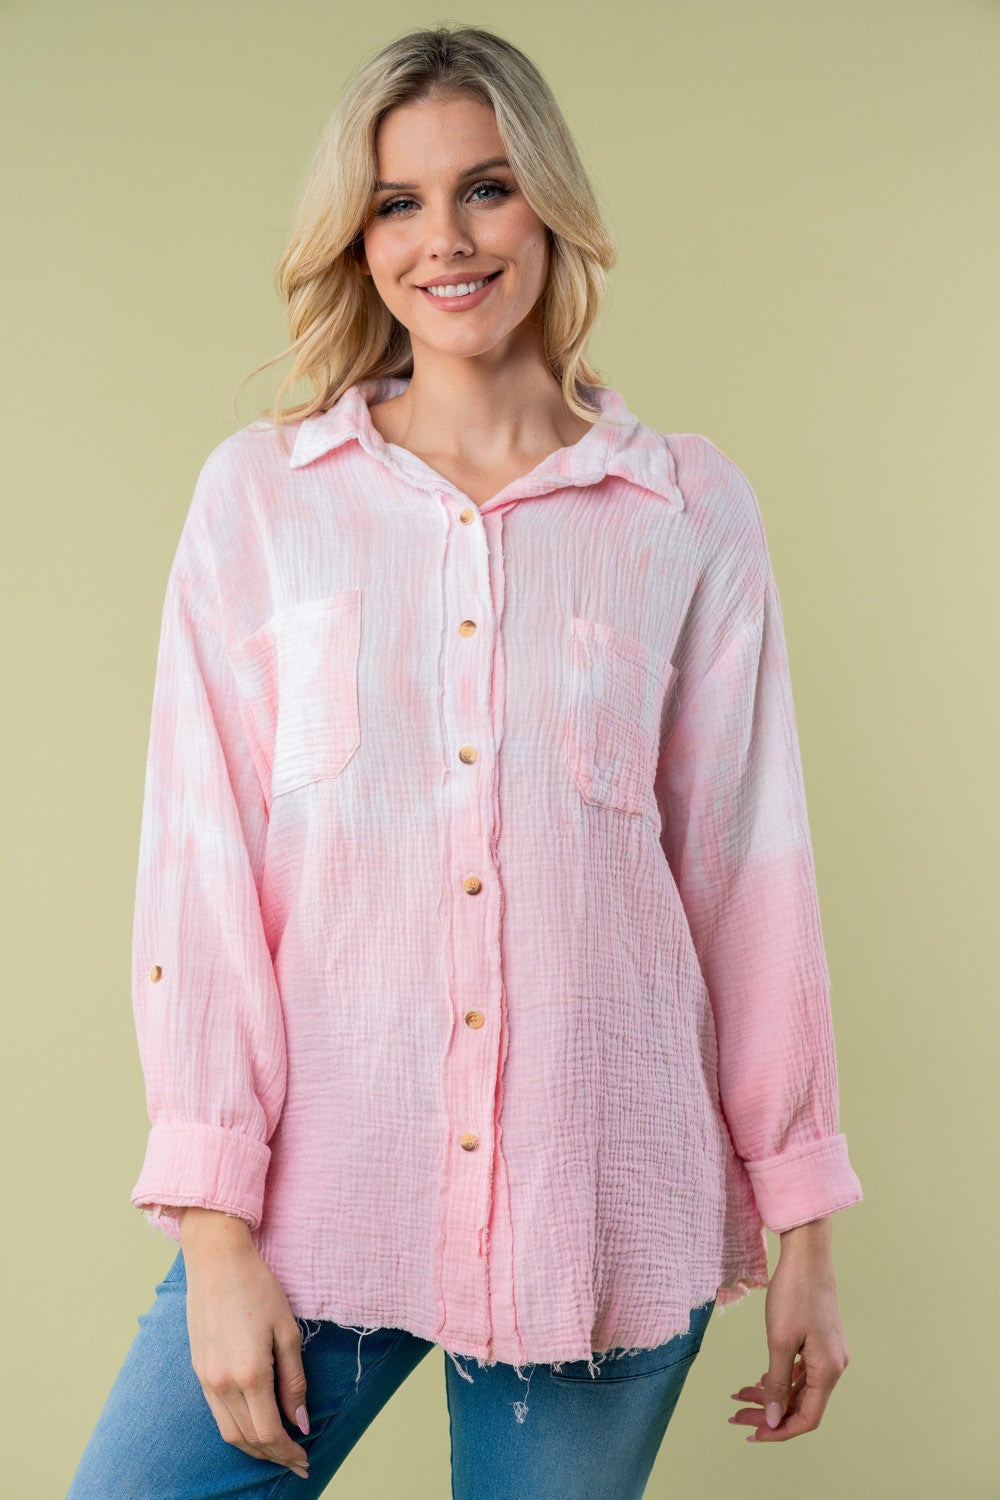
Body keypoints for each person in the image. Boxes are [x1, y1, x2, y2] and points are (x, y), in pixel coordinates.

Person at [67, 22, 863, 1499]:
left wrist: (804, 1224)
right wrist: (216, 1228)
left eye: (486, 189)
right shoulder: (260, 502)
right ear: (356, 236)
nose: (446, 238)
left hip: (602, 1206)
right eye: (397, 201)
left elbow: (749, 872)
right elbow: (200, 864)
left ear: (549, 205)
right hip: (322, 1206)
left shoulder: (684, 509)